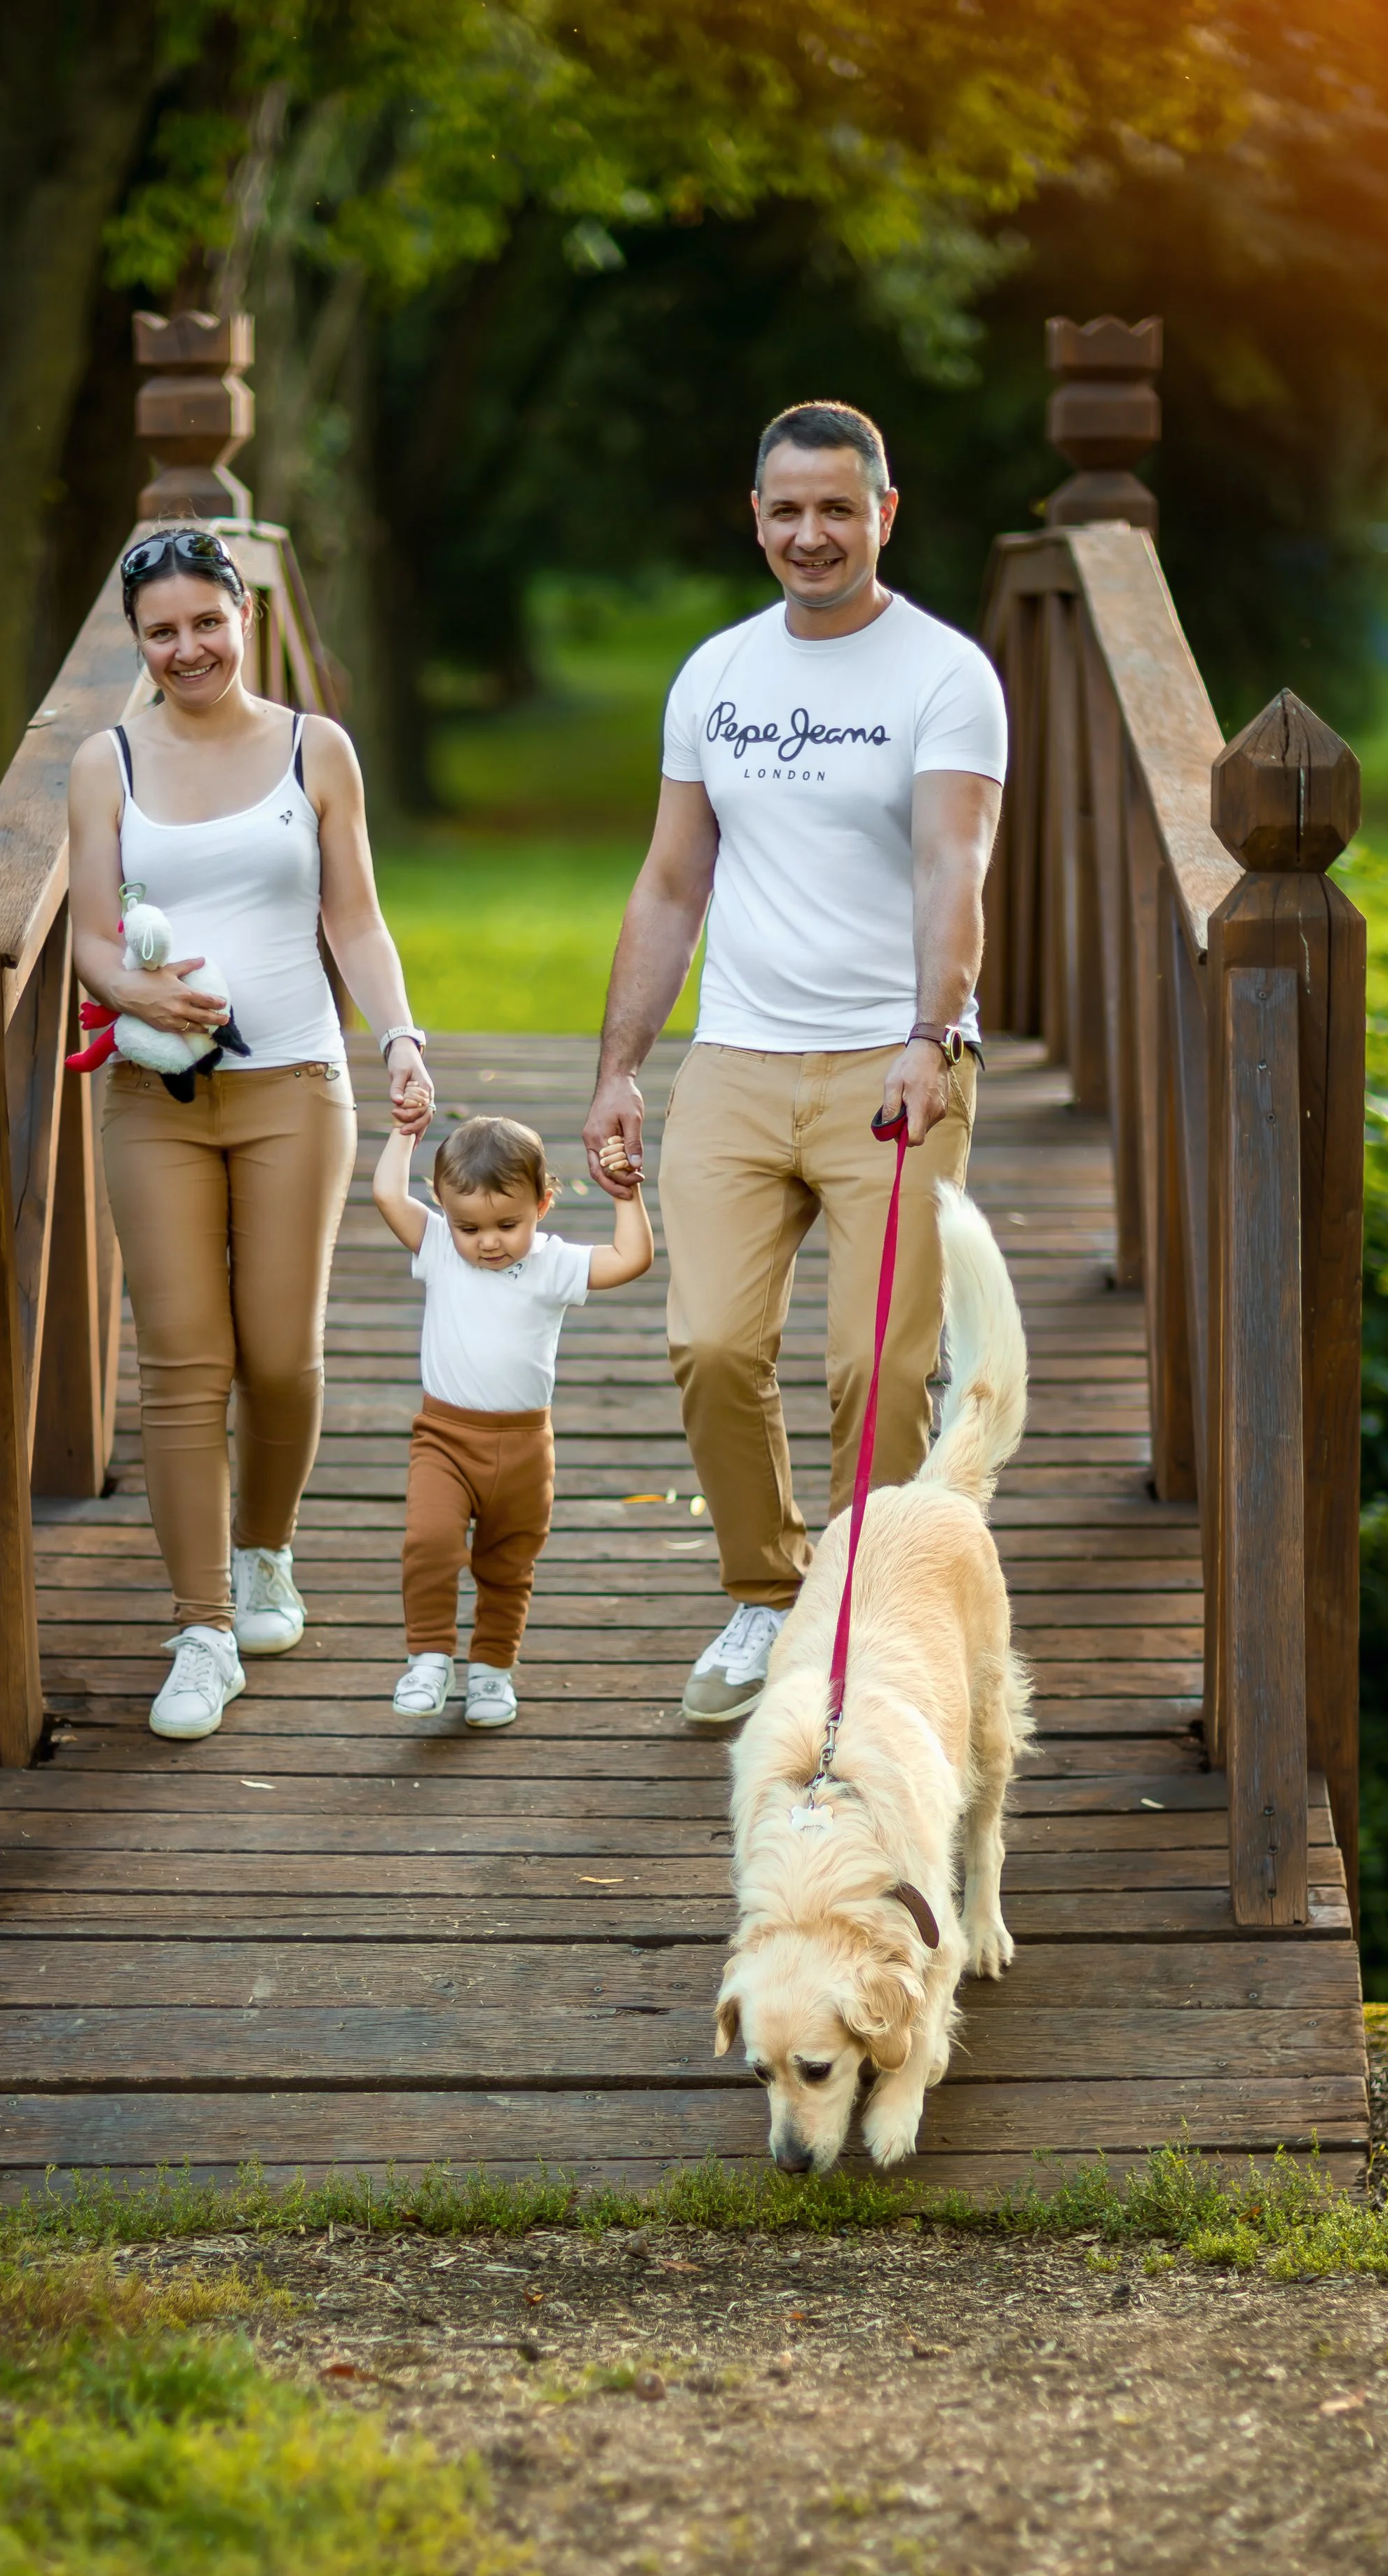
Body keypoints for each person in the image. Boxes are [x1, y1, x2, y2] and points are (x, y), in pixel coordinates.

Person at [581, 402, 1007, 1726]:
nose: (809, 534)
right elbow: (667, 885)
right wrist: (620, 1069)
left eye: (837, 508)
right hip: (742, 1061)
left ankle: (860, 1626)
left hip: (896, 1066)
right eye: (785, 510)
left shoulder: (946, 674)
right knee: (711, 1344)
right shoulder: (715, 676)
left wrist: (932, 1035)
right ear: (753, 516)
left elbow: (954, 864)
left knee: (874, 1367)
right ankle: (768, 1596)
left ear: (886, 513)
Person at [69, 527, 433, 1741]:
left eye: (205, 624)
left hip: (295, 1087)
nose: (187, 650)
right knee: (182, 1362)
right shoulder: (105, 762)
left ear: (245, 617)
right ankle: (203, 1627)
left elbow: (358, 920)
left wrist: (400, 1039)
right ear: (139, 643)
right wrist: (134, 993)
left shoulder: (313, 749)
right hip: (154, 1101)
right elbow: (87, 937)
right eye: (160, 633)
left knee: (279, 1354)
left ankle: (267, 1551)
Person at [373, 1114, 654, 1728]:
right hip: (444, 1439)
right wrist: (405, 1132)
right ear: (446, 1212)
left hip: (525, 1449)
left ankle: (493, 1671)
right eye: (469, 1225)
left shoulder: (552, 1265)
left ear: (543, 1204)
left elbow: (632, 1259)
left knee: (508, 1566)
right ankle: (429, 1655)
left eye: (509, 1224)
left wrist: (626, 1196)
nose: (488, 1242)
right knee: (429, 1541)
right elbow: (389, 1195)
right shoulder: (440, 1247)